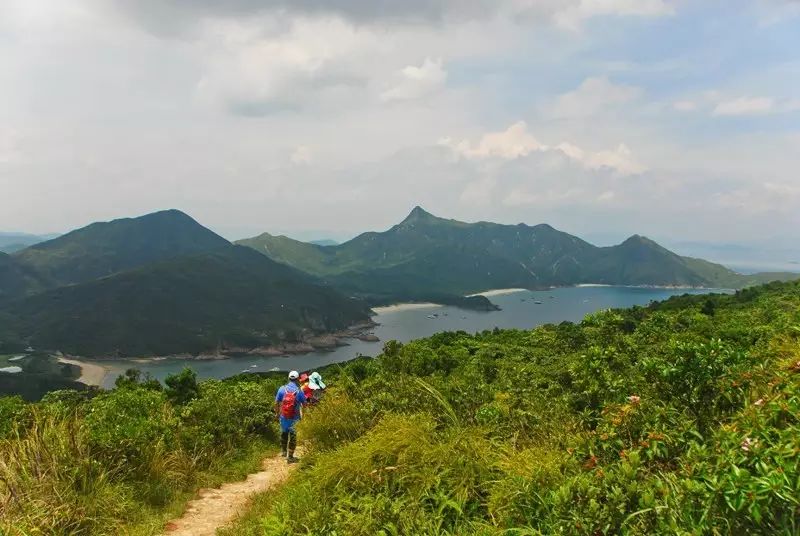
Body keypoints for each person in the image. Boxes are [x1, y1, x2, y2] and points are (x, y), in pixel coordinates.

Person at [275, 370, 306, 463]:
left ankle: (284, 452)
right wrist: (303, 416)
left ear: (288, 378)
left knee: (284, 433)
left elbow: (276, 403)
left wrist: (277, 414)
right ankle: (291, 456)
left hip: (284, 417)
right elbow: (304, 404)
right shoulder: (299, 391)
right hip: (294, 418)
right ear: (297, 379)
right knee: (293, 436)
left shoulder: (281, 389)